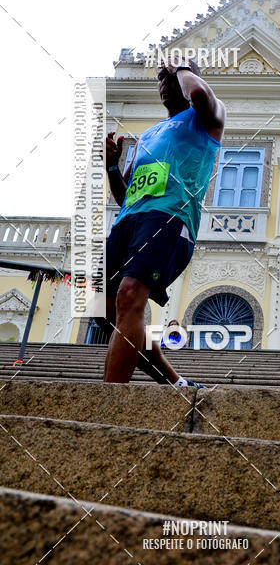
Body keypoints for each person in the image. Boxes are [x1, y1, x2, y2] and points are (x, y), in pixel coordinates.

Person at [100, 56, 225, 383]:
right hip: (129, 222)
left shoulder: (208, 117)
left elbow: (197, 93)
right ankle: (176, 382)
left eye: (173, 77)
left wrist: (181, 67)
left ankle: (107, 403)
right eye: (161, 77)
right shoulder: (150, 135)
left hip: (170, 218)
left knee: (130, 296)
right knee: (107, 311)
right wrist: (113, 167)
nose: (166, 82)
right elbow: (126, 195)